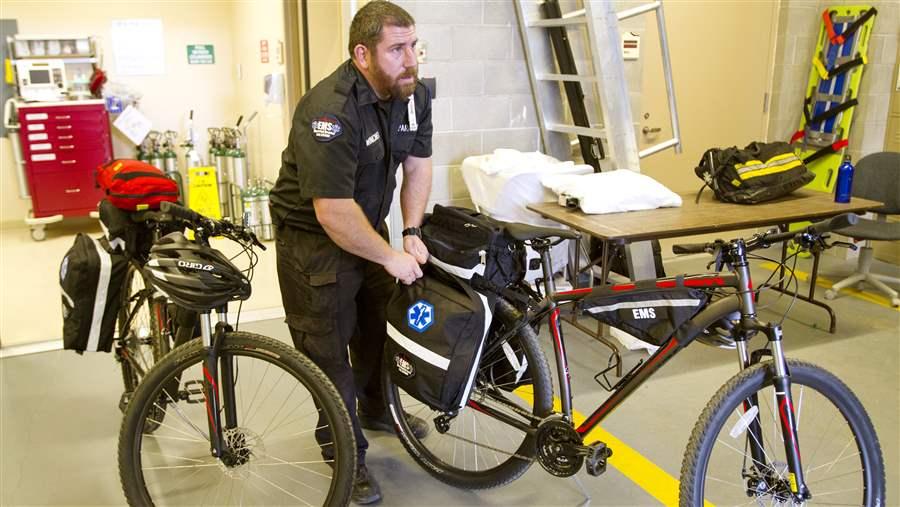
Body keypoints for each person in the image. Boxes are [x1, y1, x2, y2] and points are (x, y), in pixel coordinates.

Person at [269, 1, 432, 504]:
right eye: (397, 49)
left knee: (378, 328)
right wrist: (387, 255)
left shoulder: (413, 94)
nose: (411, 60)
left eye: (414, 46)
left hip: (368, 228)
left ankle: (377, 409)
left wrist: (409, 231)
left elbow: (419, 165)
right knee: (327, 352)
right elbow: (333, 213)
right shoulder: (330, 112)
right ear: (362, 54)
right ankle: (345, 451)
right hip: (313, 244)